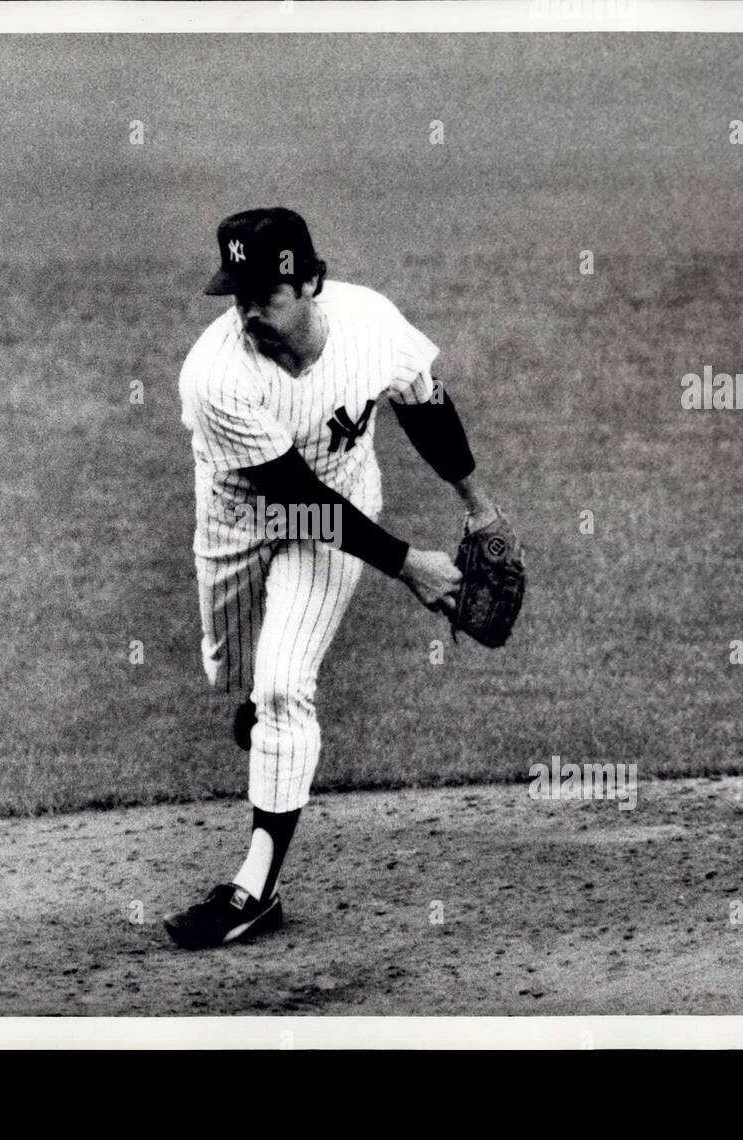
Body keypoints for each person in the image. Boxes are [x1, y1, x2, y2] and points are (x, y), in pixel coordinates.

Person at [165, 207, 497, 949]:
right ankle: (264, 717)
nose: (248, 308)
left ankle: (255, 888)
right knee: (241, 685)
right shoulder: (215, 377)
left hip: (341, 519)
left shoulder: (370, 322)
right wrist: (411, 565)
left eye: (265, 292)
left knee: (285, 686)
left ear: (312, 280)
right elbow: (295, 500)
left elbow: (426, 405)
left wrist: (481, 509)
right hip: (238, 527)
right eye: (236, 292)